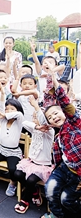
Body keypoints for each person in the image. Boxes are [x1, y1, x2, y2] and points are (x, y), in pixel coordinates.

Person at [42, 62, 81, 218]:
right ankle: (56, 215)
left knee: (66, 200)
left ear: (64, 113)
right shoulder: (58, 136)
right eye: (50, 117)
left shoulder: (76, 122)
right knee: (50, 189)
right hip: (64, 168)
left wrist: (54, 78)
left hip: (78, 174)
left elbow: (65, 102)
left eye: (56, 113)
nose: (54, 117)